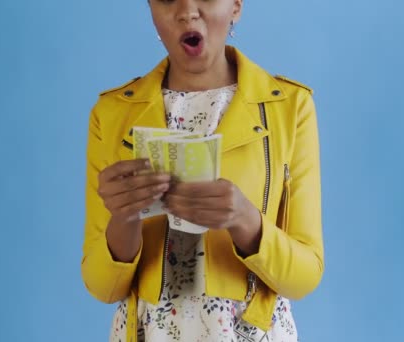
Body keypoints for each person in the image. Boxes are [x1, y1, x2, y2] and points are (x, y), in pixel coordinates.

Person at [81, 0, 324, 340]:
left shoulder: (290, 107)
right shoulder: (111, 114)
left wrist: (245, 220)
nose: (186, 11)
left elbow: (304, 277)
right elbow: (102, 287)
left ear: (236, 6)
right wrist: (124, 217)